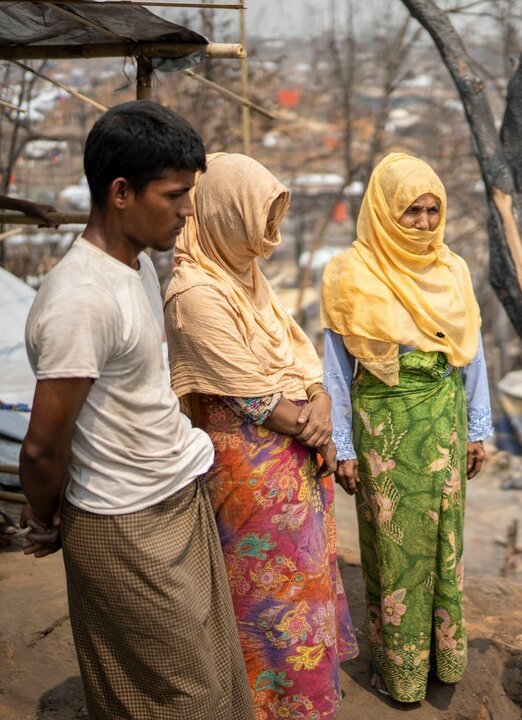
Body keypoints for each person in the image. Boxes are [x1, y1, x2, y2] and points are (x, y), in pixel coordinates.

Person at [18, 101, 253, 719]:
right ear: (121, 192)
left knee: (217, 676)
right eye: (175, 195)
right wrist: (44, 522)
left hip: (174, 498)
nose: (189, 210)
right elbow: (43, 445)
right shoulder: (81, 300)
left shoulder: (138, 265)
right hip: (123, 522)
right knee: (180, 698)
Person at [163, 153, 358, 719]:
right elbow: (257, 398)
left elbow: (303, 365)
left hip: (294, 466)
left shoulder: (246, 281)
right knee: (265, 600)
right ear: (225, 213)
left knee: (303, 590)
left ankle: (305, 702)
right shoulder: (195, 294)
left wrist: (321, 402)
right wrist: (319, 428)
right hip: (249, 477)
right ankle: (269, 707)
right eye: (259, 216)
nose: (267, 234)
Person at [320, 152, 492, 703]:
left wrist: (477, 428)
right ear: (383, 210)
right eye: (410, 211)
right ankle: (400, 672)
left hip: (443, 420)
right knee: (393, 549)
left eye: (430, 210)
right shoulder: (350, 273)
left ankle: (443, 659)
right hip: (385, 430)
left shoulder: (453, 270)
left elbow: (472, 355)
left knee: (446, 542)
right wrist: (342, 445)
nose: (421, 223)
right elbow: (336, 373)